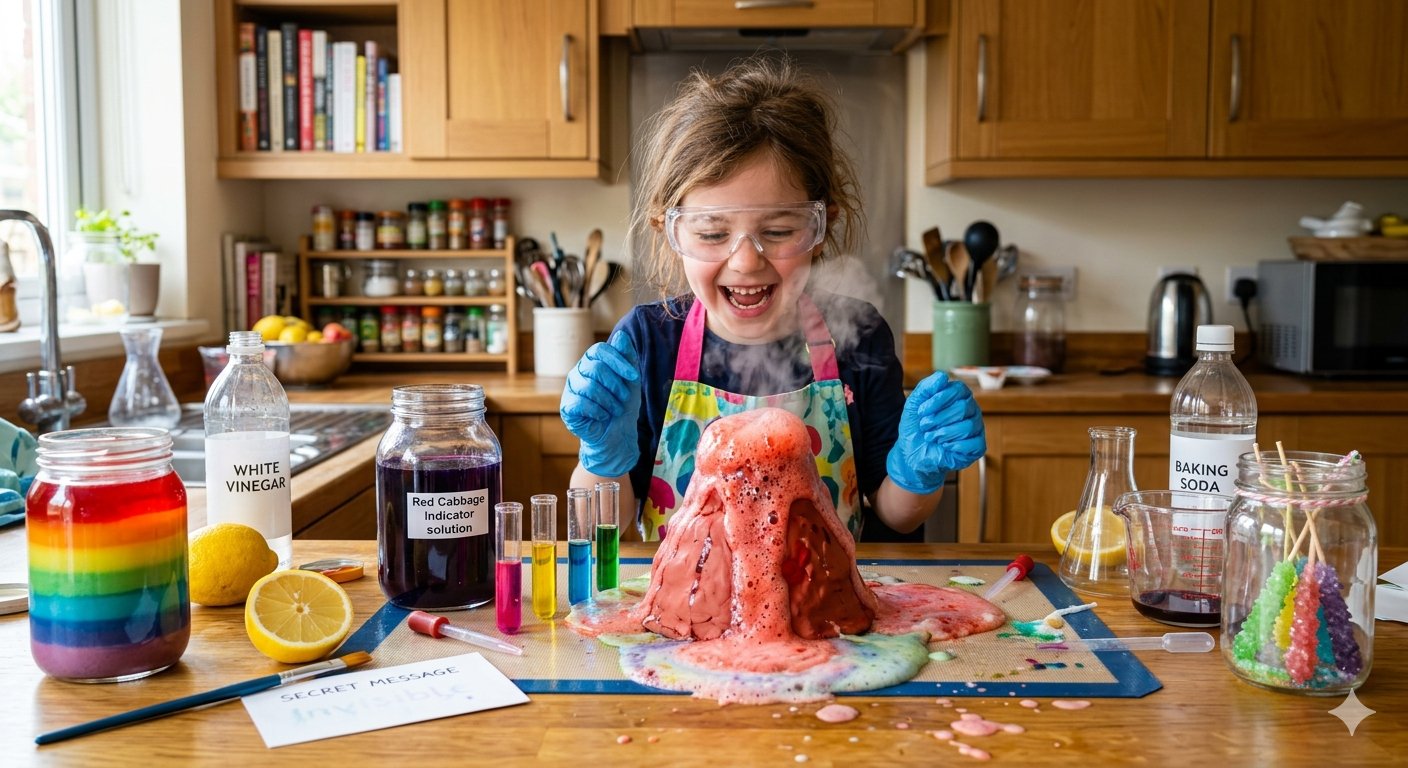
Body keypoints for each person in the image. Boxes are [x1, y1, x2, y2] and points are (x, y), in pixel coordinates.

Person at [560, 55, 984, 542]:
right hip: (687, 613)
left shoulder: (860, 336)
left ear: (821, 230)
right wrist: (600, 459)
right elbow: (601, 531)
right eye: (713, 233)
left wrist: (917, 472)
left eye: (779, 231)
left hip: (828, 612)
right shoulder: (647, 342)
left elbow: (895, 513)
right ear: (670, 232)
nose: (745, 261)